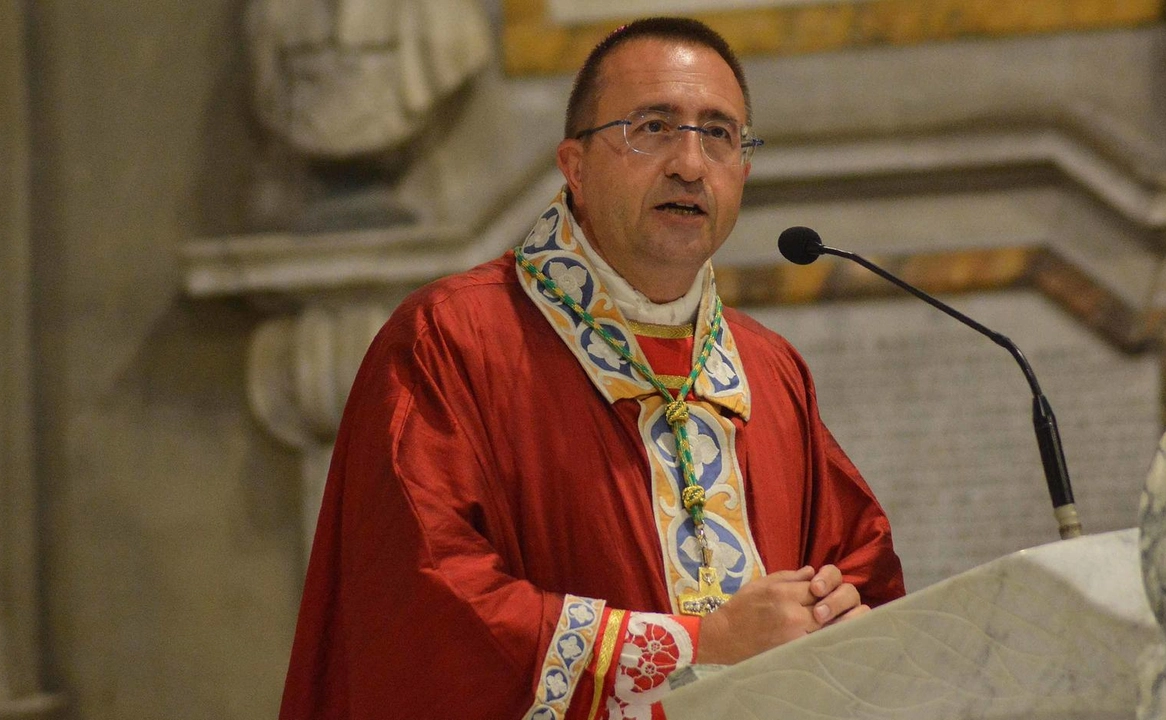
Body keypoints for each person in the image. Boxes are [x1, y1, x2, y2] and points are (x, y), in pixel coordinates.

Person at [278, 17, 904, 720]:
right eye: (654, 128)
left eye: (719, 134)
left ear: (744, 172)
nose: (691, 165)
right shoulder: (451, 342)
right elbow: (427, 608)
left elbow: (860, 573)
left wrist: (847, 625)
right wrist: (701, 641)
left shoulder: (770, 370)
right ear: (573, 166)